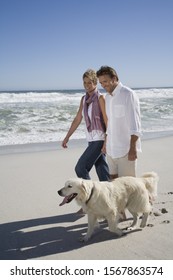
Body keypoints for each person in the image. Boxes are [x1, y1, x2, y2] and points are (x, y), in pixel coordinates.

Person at [62, 69, 110, 183]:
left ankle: (90, 194)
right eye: (84, 82)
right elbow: (78, 118)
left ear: (95, 82)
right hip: (90, 139)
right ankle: (111, 195)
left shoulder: (100, 98)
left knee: (80, 168)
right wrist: (67, 136)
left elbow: (107, 120)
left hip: (100, 139)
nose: (87, 85)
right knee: (101, 169)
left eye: (89, 82)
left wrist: (106, 141)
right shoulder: (84, 99)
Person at [96, 65, 142, 181]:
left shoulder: (128, 94)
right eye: (101, 83)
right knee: (114, 183)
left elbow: (135, 125)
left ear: (114, 78)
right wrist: (106, 143)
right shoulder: (108, 97)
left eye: (105, 81)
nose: (103, 85)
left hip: (125, 150)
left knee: (128, 186)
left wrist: (133, 148)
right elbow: (110, 124)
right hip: (111, 150)